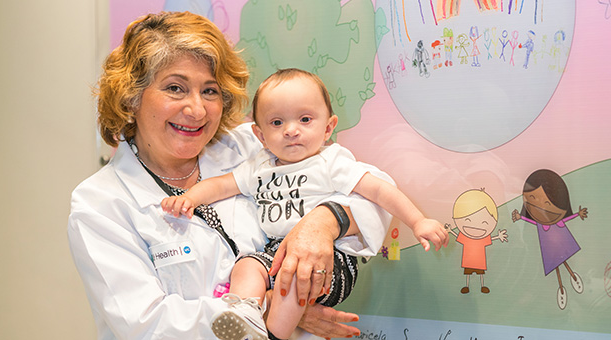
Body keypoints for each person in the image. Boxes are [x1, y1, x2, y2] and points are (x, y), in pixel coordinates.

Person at [67, 12, 391, 339]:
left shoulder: (256, 147)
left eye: (210, 91)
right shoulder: (100, 203)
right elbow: (146, 324)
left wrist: (326, 220)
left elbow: (376, 192)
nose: (196, 109)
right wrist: (269, 306)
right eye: (175, 88)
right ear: (131, 96)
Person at [161, 68, 450, 340]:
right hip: (276, 251)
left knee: (292, 275)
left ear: (328, 127)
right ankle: (246, 312)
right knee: (247, 265)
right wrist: (189, 198)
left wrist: (417, 221)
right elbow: (222, 185)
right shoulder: (259, 166)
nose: (290, 130)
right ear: (260, 135)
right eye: (277, 122)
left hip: (331, 259)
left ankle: (273, 334)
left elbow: (380, 190)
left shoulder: (330, 162)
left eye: (305, 120)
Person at [511, 169, 589, 310]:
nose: (539, 205)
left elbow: (567, 218)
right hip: (547, 250)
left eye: (547, 203)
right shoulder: (536, 227)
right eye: (532, 199)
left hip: (560, 244)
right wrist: (519, 217)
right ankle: (561, 290)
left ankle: (574, 278)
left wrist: (578, 214)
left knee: (565, 262)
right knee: (556, 268)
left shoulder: (555, 221)